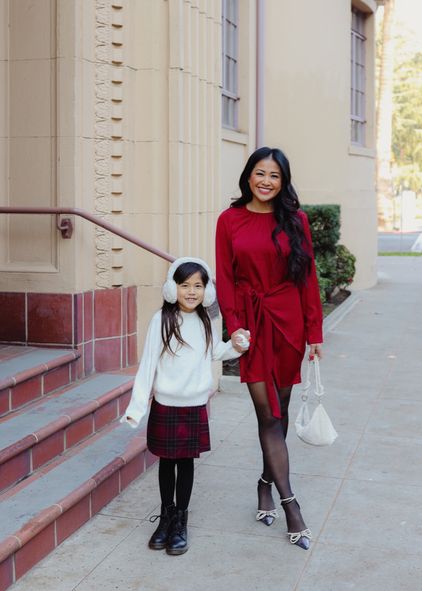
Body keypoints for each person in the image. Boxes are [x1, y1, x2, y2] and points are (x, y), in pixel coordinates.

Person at [215, 147, 323, 550]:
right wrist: (235, 326)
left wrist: (315, 333)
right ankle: (291, 505)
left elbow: (307, 279)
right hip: (253, 325)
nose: (266, 181)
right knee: (267, 415)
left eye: (274, 176)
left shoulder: (296, 220)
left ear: (283, 182)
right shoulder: (229, 220)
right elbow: (225, 278)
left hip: (289, 322)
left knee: (281, 410)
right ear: (248, 176)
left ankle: (265, 482)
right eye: (260, 173)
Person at [121, 257, 249, 556]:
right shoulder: (161, 320)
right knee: (166, 462)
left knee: (186, 463)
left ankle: (181, 520)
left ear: (207, 291)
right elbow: (149, 364)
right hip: (166, 403)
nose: (191, 292)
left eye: (198, 286)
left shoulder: (207, 320)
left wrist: (237, 346)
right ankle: (166, 517)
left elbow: (215, 351)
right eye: (184, 285)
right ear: (171, 288)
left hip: (193, 405)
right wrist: (136, 407)